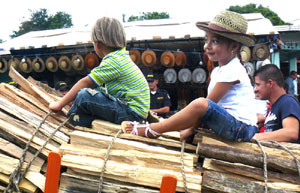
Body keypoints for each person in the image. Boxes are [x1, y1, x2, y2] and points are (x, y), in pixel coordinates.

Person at [122, 11, 258, 142]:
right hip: (228, 124)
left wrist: (190, 129)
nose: (207, 46)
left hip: (241, 128)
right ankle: (162, 125)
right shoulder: (217, 71)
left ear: (234, 46)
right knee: (198, 105)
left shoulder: (233, 69)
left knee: (200, 103)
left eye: (215, 41)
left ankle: (154, 129)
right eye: (206, 40)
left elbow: (208, 105)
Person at [49, 17, 150, 127]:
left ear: (97, 44)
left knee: (84, 95)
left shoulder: (113, 60)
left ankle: (73, 120)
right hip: (133, 112)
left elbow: (86, 82)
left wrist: (59, 104)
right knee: (97, 90)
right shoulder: (121, 55)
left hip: (131, 113)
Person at [253, 64, 300, 143]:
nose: (255, 89)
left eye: (258, 85)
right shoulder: (276, 106)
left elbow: (291, 133)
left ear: (270, 83)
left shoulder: (288, 102)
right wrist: (265, 120)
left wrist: (255, 137)